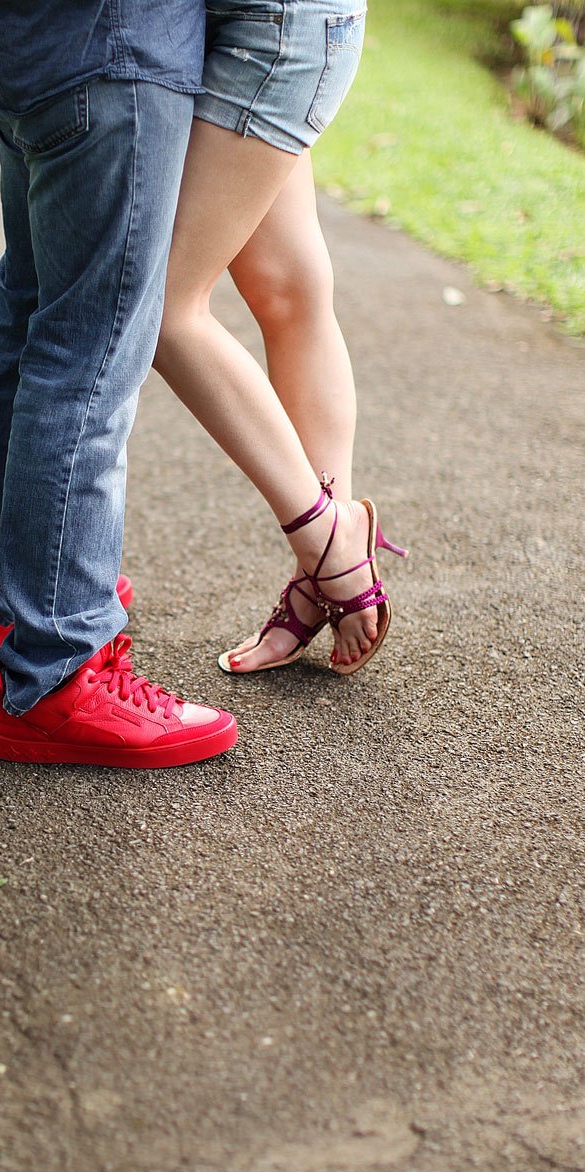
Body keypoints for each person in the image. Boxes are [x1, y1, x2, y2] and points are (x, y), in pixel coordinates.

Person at [0, 0, 238, 768]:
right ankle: (59, 668)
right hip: (115, 44)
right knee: (89, 351)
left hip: (28, 39)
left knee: (28, 302)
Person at [153, 0, 406, 677]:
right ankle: (322, 568)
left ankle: (327, 545)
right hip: (262, 21)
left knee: (165, 309)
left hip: (274, 24)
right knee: (288, 294)